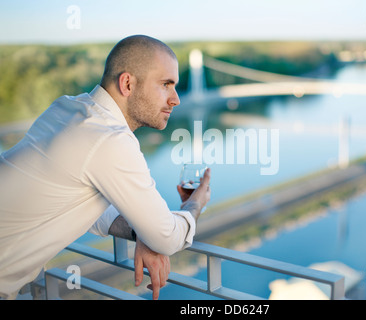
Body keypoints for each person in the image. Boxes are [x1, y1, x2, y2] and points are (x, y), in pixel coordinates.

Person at [0, 35, 211, 300]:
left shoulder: (66, 107)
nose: (176, 99)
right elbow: (167, 238)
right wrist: (195, 205)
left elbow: (75, 201)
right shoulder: (109, 138)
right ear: (127, 83)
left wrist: (143, 229)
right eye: (166, 85)